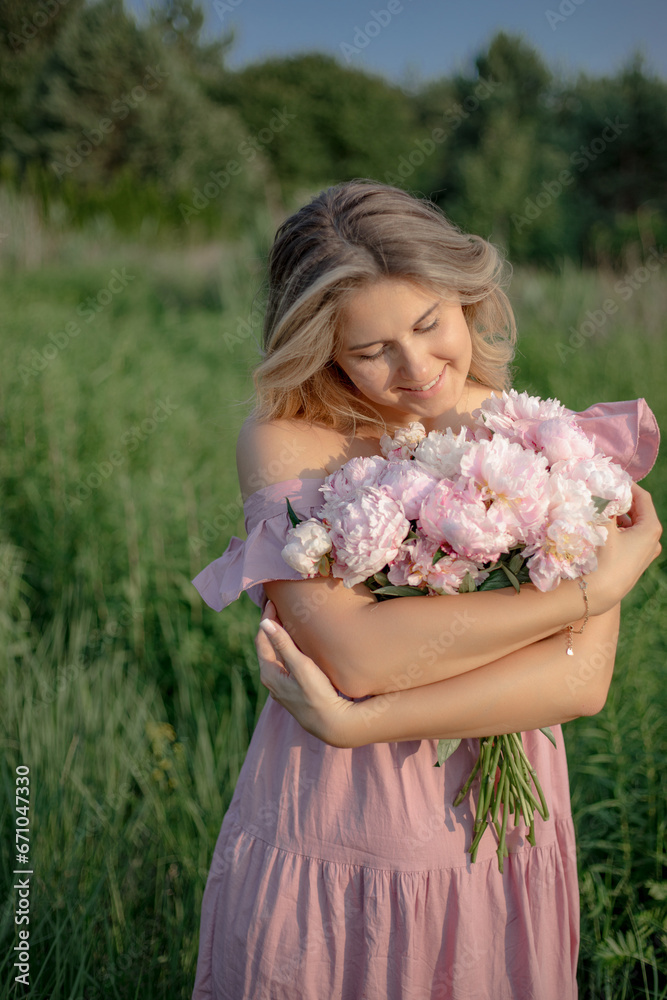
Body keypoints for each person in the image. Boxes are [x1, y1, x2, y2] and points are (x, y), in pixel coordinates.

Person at [190, 179, 661, 1000]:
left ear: (464, 297)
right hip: (341, 825)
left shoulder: (537, 438)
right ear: (321, 347)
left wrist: (353, 723)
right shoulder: (289, 443)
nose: (414, 370)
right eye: (371, 350)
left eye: (426, 324)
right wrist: (589, 591)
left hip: (498, 825)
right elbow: (356, 653)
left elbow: (579, 684)